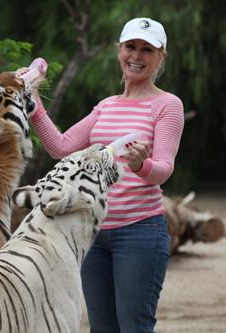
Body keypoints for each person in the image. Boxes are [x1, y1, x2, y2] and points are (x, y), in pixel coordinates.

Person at [19, 17, 184, 333]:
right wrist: (34, 104)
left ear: (161, 56)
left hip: (140, 234)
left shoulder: (167, 105)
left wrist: (141, 165)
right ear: (119, 50)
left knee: (134, 326)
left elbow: (163, 170)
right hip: (93, 235)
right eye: (130, 47)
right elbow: (61, 146)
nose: (136, 56)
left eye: (146, 50)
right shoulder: (106, 107)